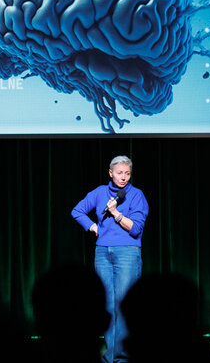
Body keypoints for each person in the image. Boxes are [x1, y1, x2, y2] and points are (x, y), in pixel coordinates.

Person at [72, 155, 149, 363]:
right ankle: (111, 355)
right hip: (102, 252)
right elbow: (77, 211)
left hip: (127, 251)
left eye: (127, 173)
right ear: (110, 173)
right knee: (106, 304)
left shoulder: (136, 195)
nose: (123, 177)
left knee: (123, 304)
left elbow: (136, 229)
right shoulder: (99, 192)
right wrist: (93, 226)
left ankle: (122, 357)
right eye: (119, 173)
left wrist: (115, 213)